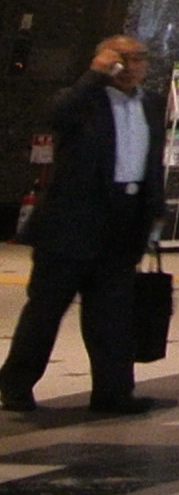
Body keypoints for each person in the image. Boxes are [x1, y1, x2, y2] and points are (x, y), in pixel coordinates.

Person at [0, 35, 169, 416]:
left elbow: (152, 161)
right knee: (45, 309)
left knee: (112, 316)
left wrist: (155, 211)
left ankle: (113, 393)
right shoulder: (84, 101)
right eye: (122, 59)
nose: (130, 67)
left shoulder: (152, 104)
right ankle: (15, 385)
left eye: (138, 59)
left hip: (123, 223)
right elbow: (56, 117)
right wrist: (94, 76)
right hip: (71, 225)